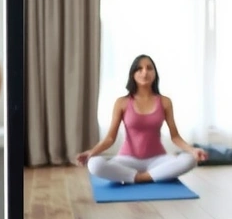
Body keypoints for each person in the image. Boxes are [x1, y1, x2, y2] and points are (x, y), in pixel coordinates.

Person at [76, 54, 208, 184]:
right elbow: (110, 138)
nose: (145, 72)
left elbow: (175, 136)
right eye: (139, 69)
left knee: (189, 159)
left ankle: (139, 177)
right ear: (133, 74)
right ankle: (149, 176)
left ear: (155, 73)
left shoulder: (165, 102)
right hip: (127, 159)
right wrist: (90, 153)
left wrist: (193, 150)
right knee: (94, 164)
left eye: (149, 68)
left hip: (157, 159)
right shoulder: (122, 102)